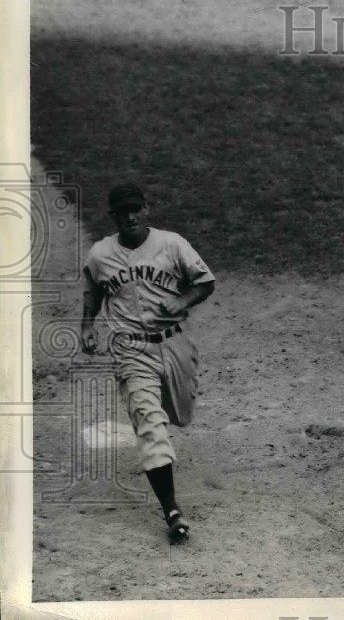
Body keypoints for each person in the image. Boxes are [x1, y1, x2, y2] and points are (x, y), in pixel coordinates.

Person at [81, 183, 215, 544]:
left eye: (135, 209)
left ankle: (165, 431)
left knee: (180, 414)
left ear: (146, 209)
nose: (130, 216)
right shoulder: (100, 254)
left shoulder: (172, 244)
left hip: (174, 346)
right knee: (149, 423)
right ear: (112, 215)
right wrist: (87, 327)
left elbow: (205, 282)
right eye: (122, 211)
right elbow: (93, 291)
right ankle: (172, 512)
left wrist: (182, 301)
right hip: (129, 351)